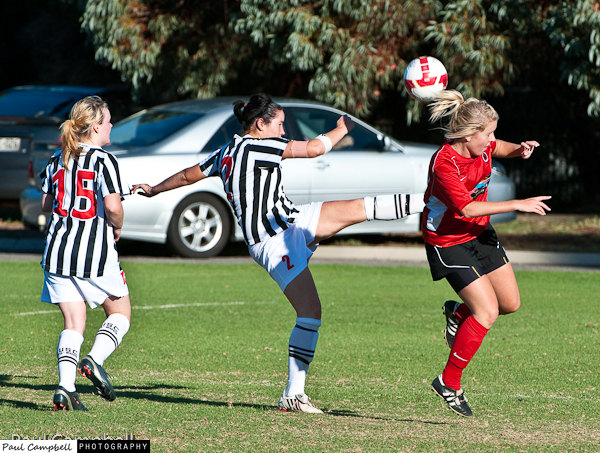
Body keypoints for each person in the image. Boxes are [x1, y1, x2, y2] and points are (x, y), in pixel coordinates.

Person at [132, 93, 425, 413]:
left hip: (295, 220)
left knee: (359, 207)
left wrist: (154, 188)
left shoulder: (225, 152)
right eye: (280, 124)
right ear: (260, 124)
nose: (284, 131)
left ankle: (433, 202)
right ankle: (293, 395)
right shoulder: (258, 145)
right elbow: (314, 148)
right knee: (310, 313)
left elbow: (189, 175)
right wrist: (344, 127)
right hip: (272, 243)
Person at [422, 90, 551, 417]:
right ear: (468, 135)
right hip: (448, 241)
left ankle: (457, 314)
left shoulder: (483, 145)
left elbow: (499, 147)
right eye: (488, 134)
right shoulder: (445, 162)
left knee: (510, 304)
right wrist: (518, 204)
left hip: (480, 234)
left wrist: (519, 150)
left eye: (493, 133)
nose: (492, 141)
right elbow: (465, 207)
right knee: (487, 311)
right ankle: (449, 382)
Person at [41, 96, 131, 411]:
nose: (110, 127)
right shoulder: (104, 160)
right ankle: (94, 359)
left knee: (73, 322)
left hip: (57, 254)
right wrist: (117, 227)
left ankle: (65, 388)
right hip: (96, 256)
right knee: (120, 314)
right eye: (108, 122)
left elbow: (46, 206)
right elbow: (112, 206)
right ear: (95, 127)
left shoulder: (57, 159)